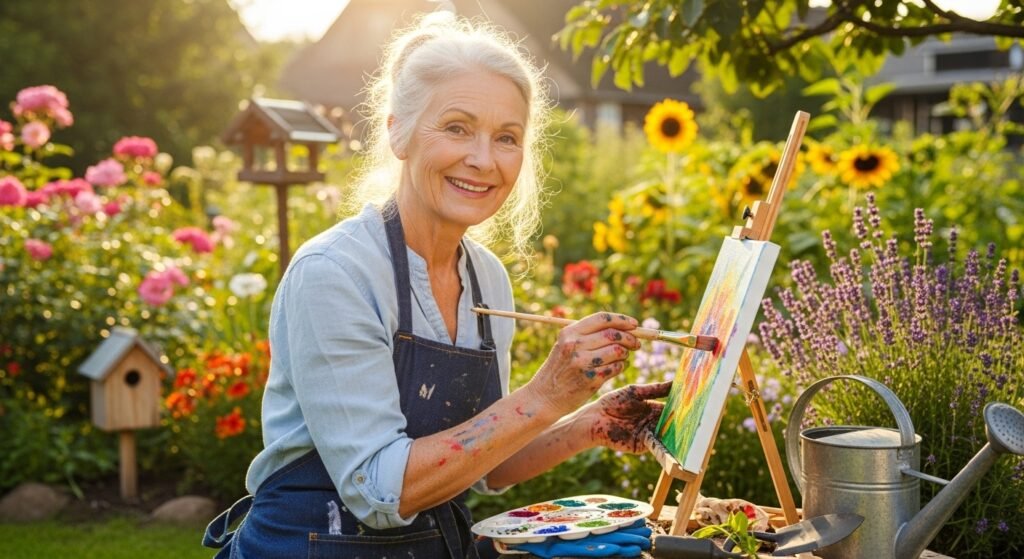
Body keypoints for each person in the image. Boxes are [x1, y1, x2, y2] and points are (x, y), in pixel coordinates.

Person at [203, 11, 670, 559]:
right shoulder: (336, 273)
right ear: (397, 131)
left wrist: (587, 421)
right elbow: (380, 491)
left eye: (506, 137)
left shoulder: (486, 279)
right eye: (456, 128)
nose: (483, 159)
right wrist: (543, 395)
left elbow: (483, 461)